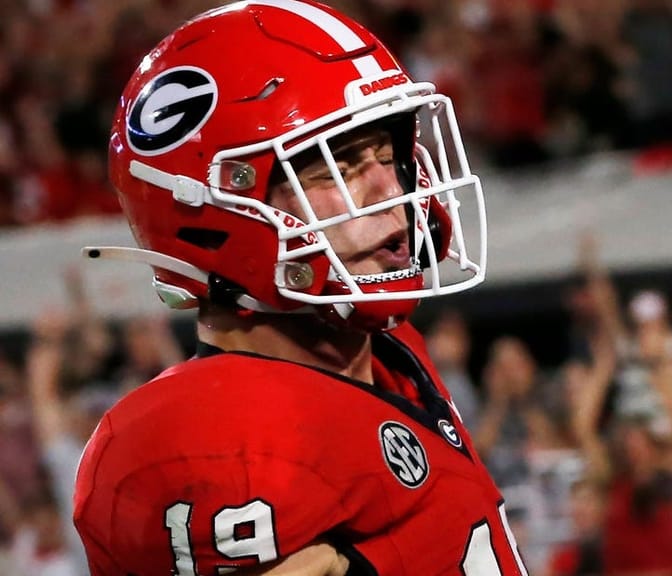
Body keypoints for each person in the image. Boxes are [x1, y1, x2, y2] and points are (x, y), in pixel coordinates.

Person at [71, 2, 524, 575]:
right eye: (336, 165)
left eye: (387, 153)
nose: (392, 189)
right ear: (213, 210)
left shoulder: (388, 350)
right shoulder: (208, 439)